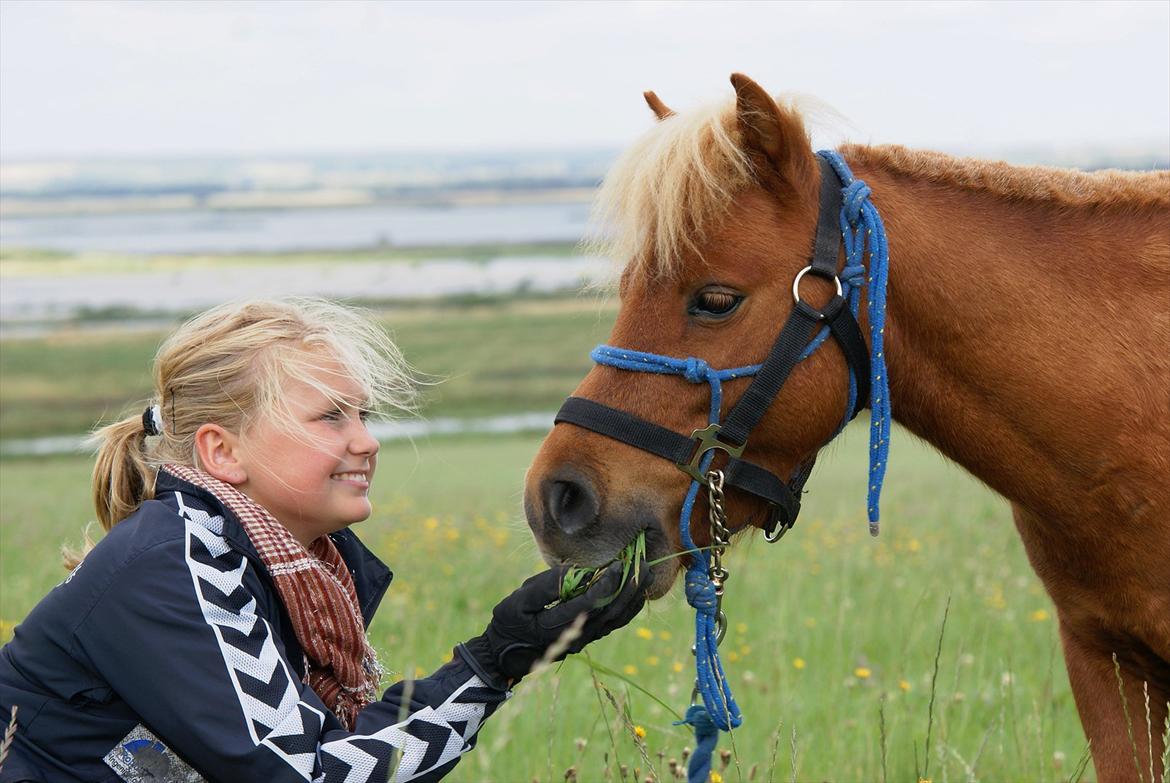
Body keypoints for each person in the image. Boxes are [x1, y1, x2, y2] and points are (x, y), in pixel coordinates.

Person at [0, 298, 647, 783]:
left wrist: (502, 655)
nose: (366, 440)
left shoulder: (279, 566)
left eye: (362, 414)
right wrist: (491, 661)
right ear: (222, 452)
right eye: (329, 417)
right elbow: (311, 773)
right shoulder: (178, 562)